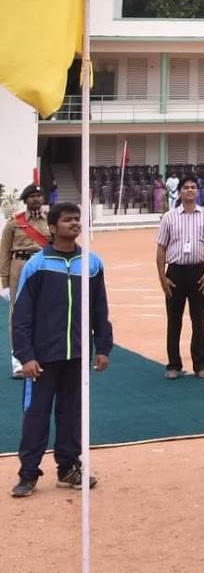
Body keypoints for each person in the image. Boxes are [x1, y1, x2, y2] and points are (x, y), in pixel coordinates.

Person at [10, 202, 113, 497]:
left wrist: (102, 346)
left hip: (77, 356)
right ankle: (28, 473)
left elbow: (99, 309)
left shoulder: (92, 264)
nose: (75, 224)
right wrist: (26, 356)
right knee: (36, 415)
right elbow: (22, 315)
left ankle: (68, 468)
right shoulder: (37, 265)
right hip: (42, 358)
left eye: (78, 219)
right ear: (53, 227)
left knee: (72, 415)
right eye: (68, 220)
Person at [156, 174, 204, 380]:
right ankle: (173, 364)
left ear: (198, 191)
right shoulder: (169, 217)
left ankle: (201, 365)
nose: (190, 190)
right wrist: (162, 278)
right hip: (174, 273)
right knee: (173, 321)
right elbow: (161, 248)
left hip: (199, 273)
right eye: (186, 187)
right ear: (179, 192)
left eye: (193, 187)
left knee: (199, 320)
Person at [1, 185, 50, 378]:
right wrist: (4, 283)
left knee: (44, 311)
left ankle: (40, 356)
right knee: (18, 313)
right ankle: (18, 360)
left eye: (39, 195)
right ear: (25, 200)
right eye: (32, 196)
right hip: (19, 267)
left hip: (43, 267)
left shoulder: (51, 220)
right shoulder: (14, 223)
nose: (36, 199)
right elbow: (4, 252)